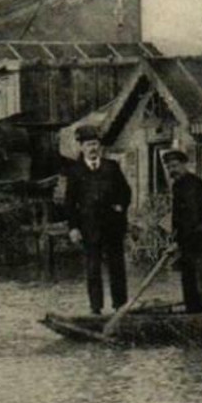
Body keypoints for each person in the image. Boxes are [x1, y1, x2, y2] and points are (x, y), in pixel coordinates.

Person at [63, 125, 131, 314]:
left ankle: (120, 306)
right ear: (82, 148)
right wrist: (73, 228)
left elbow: (126, 192)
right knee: (93, 270)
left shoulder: (112, 167)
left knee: (117, 267)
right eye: (88, 145)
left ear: (99, 146)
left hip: (113, 227)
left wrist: (121, 206)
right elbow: (69, 203)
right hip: (89, 228)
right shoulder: (75, 171)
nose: (93, 148)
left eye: (95, 144)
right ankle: (96, 309)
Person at [163, 148, 202, 313]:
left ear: (183, 165)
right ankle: (192, 315)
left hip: (201, 240)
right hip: (188, 241)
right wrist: (175, 238)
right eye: (169, 167)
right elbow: (177, 216)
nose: (172, 170)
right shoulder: (177, 185)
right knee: (188, 280)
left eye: (175, 166)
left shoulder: (194, 184)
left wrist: (178, 241)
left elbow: (192, 217)